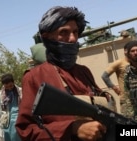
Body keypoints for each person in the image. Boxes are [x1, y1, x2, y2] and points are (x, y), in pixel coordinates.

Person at [15, 6, 107, 141]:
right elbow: (26, 130)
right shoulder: (34, 77)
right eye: (64, 32)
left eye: (75, 32)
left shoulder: (84, 72)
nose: (72, 39)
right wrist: (72, 128)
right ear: (47, 37)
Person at [0, 73, 22, 141]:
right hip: (6, 120)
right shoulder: (0, 95)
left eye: (11, 86)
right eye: (7, 87)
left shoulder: (20, 91)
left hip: (18, 118)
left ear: (13, 82)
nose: (9, 88)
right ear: (3, 85)